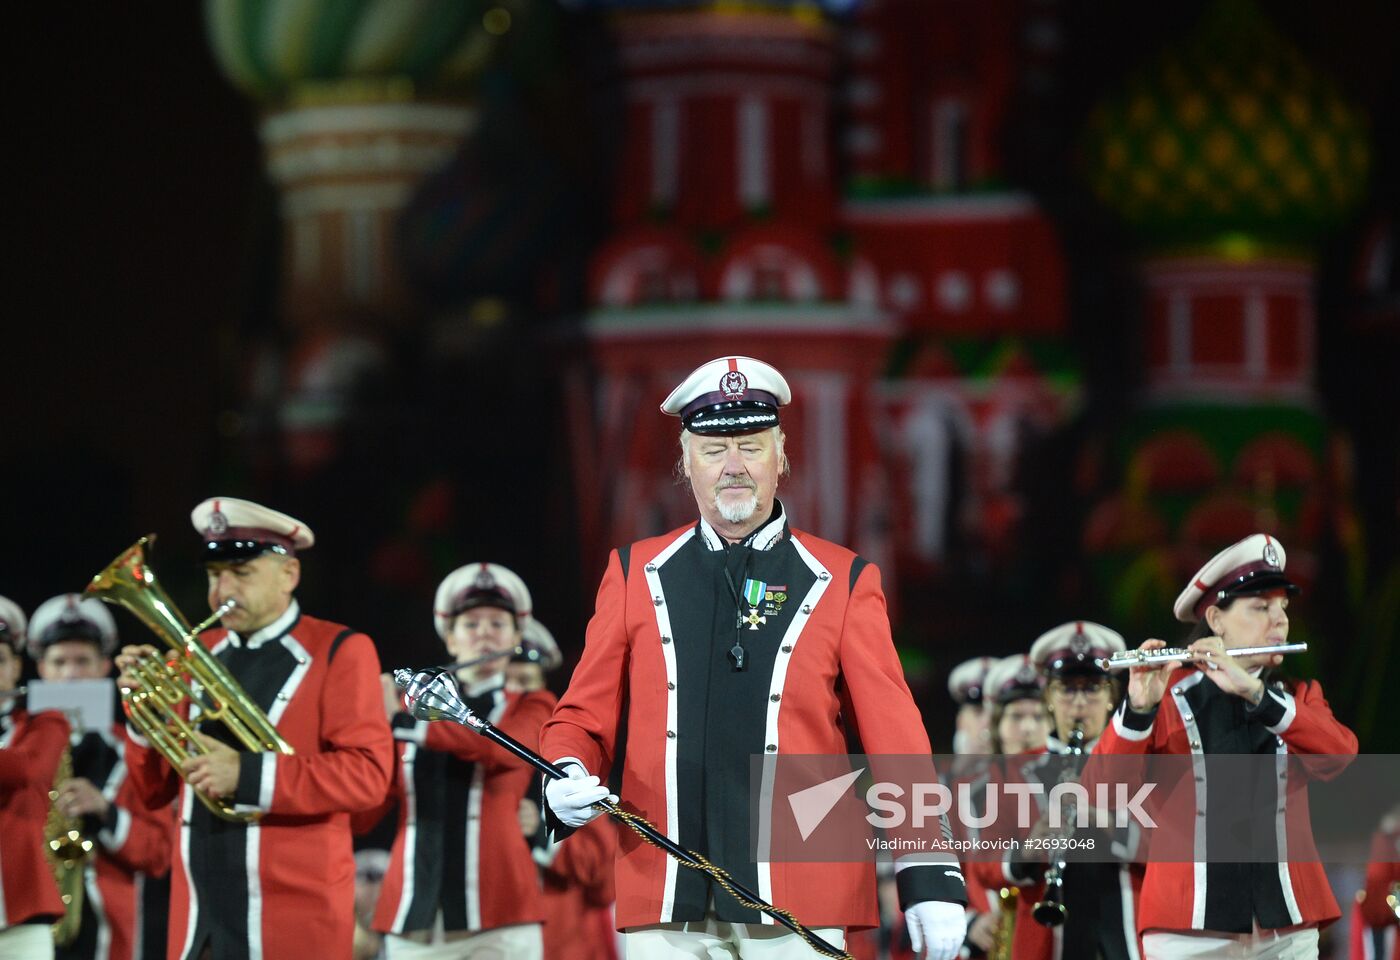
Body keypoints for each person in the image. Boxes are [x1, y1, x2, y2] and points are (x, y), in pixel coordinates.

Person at [538, 356, 969, 959]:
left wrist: (930, 873)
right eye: (714, 449)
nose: (734, 466)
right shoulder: (634, 572)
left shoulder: (843, 580)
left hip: (803, 899)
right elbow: (581, 717)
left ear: (782, 454)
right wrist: (562, 769)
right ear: (685, 462)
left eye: (751, 444)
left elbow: (896, 740)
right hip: (665, 897)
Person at [114, 497, 394, 960]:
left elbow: (366, 777)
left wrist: (244, 775)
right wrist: (145, 720)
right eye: (213, 574)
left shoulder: (340, 649)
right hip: (198, 924)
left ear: (289, 575)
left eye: (241, 573)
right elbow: (153, 792)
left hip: (294, 923)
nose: (221, 589)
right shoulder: (193, 652)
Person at [1095, 533, 1358, 959]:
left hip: (1286, 928)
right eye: (1260, 608)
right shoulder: (1168, 694)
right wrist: (1138, 710)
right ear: (1216, 620)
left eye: (1283, 608)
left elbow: (1340, 756)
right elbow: (1103, 793)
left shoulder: (1297, 697)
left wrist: (1255, 692)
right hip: (1188, 928)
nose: (1279, 622)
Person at [368, 563, 555, 959]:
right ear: (450, 641)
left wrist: (402, 719)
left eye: (497, 624)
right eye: (470, 625)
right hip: (413, 915)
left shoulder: (534, 704)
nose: (484, 633)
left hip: (502, 912)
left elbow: (497, 749)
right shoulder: (403, 716)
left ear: (517, 638)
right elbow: (371, 797)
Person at [28, 594, 173, 960]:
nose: (71, 674)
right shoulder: (17, 749)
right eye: (59, 662)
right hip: (25, 929)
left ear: (105, 666)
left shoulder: (135, 750)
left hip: (110, 940)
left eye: (83, 661)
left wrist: (106, 811)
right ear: (41, 668)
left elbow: (159, 854)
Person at [993, 621, 1140, 960]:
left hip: (1124, 935)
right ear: (1049, 697)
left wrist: (1098, 818)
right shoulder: (1013, 770)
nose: (1078, 703)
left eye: (1091, 689)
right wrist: (1030, 847)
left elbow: (1167, 846)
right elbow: (984, 859)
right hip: (1046, 940)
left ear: (1110, 698)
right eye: (1067, 689)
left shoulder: (1138, 760)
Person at [0, 594, 68, 960]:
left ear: (15, 668)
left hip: (21, 916)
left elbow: (26, 769)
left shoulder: (47, 721)